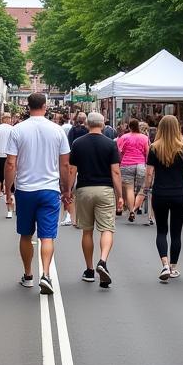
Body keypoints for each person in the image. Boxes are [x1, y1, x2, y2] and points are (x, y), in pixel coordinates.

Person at [4, 92, 71, 295]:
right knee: (47, 236)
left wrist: (8, 190)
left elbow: (10, 163)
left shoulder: (17, 130)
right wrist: (66, 189)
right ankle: (46, 274)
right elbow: (65, 164)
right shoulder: (57, 131)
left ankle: (28, 275)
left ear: (27, 106)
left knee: (26, 234)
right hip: (50, 189)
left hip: (25, 189)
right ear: (46, 105)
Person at [67, 111, 122, 287]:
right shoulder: (110, 144)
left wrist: (68, 190)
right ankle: (103, 261)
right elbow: (115, 171)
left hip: (84, 189)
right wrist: (120, 195)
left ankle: (89, 270)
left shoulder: (77, 143)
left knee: (87, 230)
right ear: (103, 124)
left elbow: (72, 170)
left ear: (87, 125)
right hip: (105, 189)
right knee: (107, 228)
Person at [144, 114, 183, 281]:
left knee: (161, 230)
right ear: (177, 128)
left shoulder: (154, 148)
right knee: (176, 232)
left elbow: (149, 173)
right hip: (179, 193)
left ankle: (164, 264)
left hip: (160, 193)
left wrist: (146, 188)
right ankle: (173, 267)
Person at [117, 116, 149, 223]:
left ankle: (131, 210)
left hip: (127, 164)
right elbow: (147, 152)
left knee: (129, 189)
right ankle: (136, 208)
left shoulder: (124, 137)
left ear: (129, 127)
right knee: (141, 188)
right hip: (141, 164)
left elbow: (119, 152)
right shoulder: (144, 138)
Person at [0, 112, 15, 219]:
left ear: (1, 119)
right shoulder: (13, 129)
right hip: (10, 156)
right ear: (9, 119)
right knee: (10, 183)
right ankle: (10, 208)